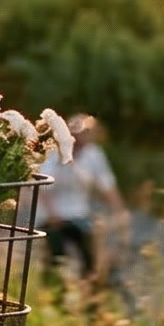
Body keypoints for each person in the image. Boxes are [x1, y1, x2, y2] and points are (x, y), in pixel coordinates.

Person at [38, 113, 125, 287]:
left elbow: (106, 185)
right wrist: (53, 214)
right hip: (53, 216)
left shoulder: (94, 155)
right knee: (56, 253)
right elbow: (43, 186)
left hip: (79, 214)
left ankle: (89, 286)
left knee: (89, 252)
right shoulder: (55, 155)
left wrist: (119, 211)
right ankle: (54, 288)